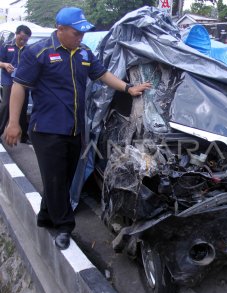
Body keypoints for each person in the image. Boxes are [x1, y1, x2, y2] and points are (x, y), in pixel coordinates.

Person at [3, 7, 151, 250]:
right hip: (47, 129)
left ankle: (45, 216)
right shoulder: (38, 52)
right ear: (60, 29)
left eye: (83, 33)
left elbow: (102, 74)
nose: (80, 37)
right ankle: (64, 226)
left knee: (65, 177)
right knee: (55, 177)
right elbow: (19, 86)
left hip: (74, 129)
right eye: (75, 33)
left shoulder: (83, 52)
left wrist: (128, 88)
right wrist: (13, 122)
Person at [0, 25, 32, 143]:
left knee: (23, 107)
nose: (23, 41)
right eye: (21, 38)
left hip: (23, 80)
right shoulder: (6, 46)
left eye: (26, 39)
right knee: (6, 105)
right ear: (17, 34)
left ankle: (24, 136)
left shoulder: (29, 49)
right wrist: (4, 65)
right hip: (8, 79)